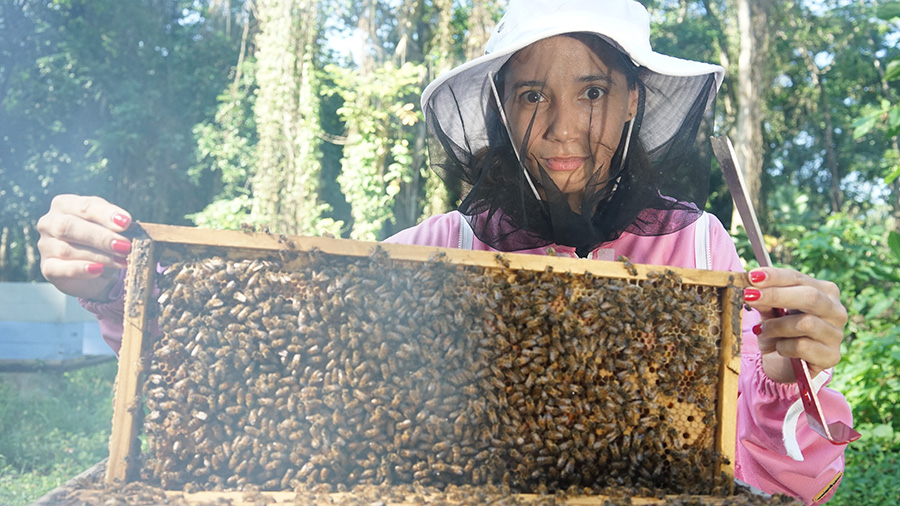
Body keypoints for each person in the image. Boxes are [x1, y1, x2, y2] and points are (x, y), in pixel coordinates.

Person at [36, 0, 851, 504]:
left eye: (592, 92)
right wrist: (117, 284)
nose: (563, 128)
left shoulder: (703, 252)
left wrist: (793, 382)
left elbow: (787, 481)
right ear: (499, 106)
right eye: (533, 93)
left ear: (636, 97)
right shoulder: (436, 248)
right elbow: (281, 358)